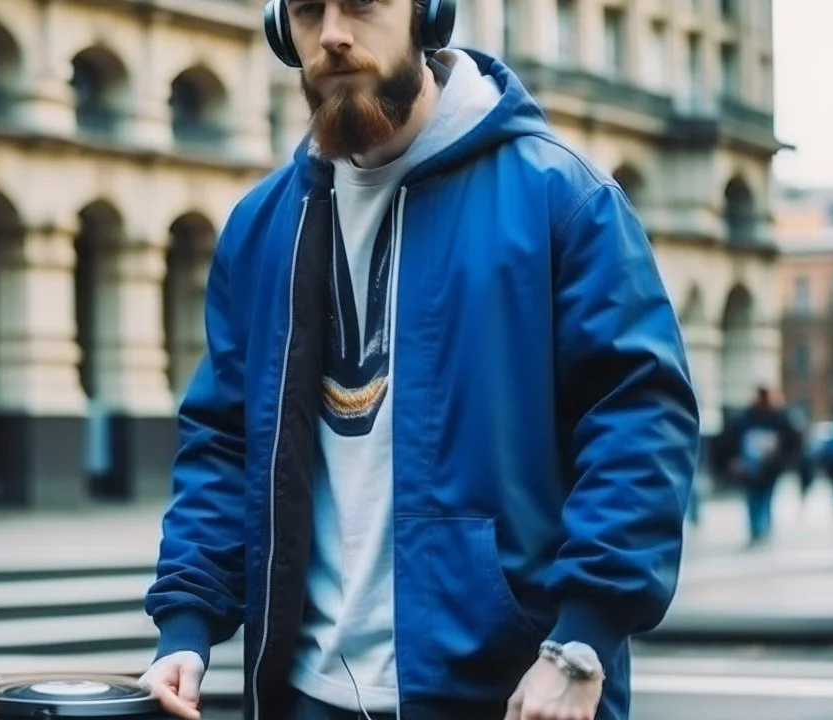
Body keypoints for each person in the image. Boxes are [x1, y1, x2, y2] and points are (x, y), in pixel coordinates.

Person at [139, 0, 701, 718]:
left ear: (430, 15)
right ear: (283, 31)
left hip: (512, 694)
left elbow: (640, 423)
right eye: (309, 10)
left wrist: (583, 640)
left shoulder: (564, 199)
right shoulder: (262, 226)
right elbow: (221, 440)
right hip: (302, 696)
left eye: (364, 4)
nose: (335, 33)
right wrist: (185, 627)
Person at [717, 386, 800, 546]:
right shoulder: (749, 417)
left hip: (770, 467)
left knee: (765, 497)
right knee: (755, 497)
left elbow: (792, 442)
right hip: (751, 467)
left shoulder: (778, 418)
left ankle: (762, 528)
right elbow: (730, 439)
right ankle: (758, 528)